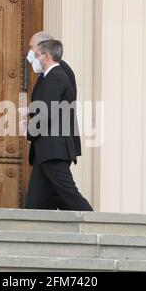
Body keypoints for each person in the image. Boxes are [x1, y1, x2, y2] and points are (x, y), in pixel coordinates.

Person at [25, 39, 93, 212]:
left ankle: (96, 225)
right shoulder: (50, 77)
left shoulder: (56, 77)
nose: (34, 58)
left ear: (46, 56)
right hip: (46, 150)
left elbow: (46, 111)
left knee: (69, 194)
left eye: (37, 54)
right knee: (35, 203)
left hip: (53, 148)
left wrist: (30, 130)